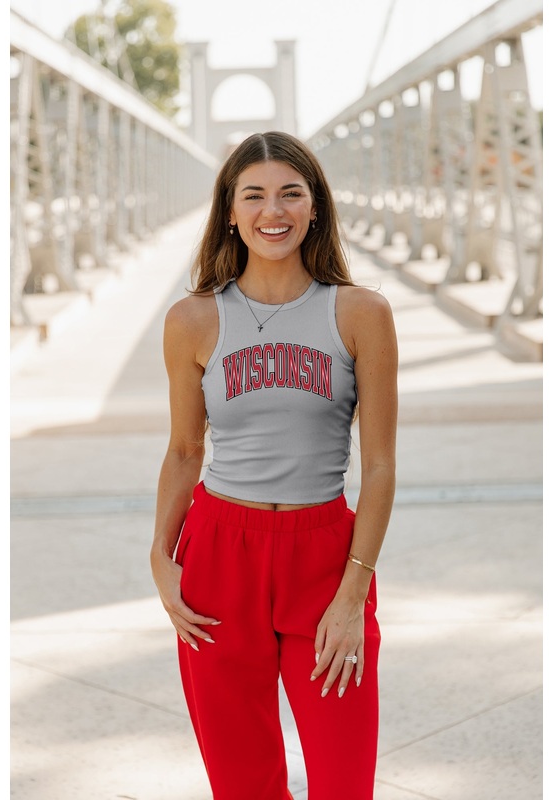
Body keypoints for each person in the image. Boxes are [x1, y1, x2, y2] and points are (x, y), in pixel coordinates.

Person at [150, 131, 398, 800]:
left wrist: (353, 596)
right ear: (229, 212)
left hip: (323, 557)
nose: (273, 211)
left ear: (315, 206)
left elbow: (377, 467)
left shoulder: (361, 314)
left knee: (344, 783)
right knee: (243, 785)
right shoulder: (193, 320)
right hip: (218, 558)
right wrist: (160, 558)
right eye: (253, 195)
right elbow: (183, 451)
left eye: (291, 193)